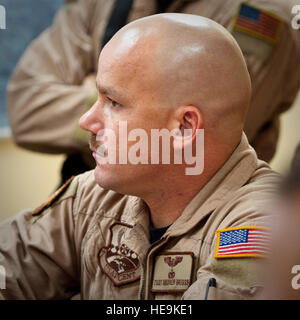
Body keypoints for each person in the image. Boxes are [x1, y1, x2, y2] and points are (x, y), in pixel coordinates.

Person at [1, 13, 279, 300]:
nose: (86, 120)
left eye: (114, 103)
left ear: (184, 128)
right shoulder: (90, 197)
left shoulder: (268, 224)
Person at [6, 0, 300, 184]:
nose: (87, 121)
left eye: (114, 103)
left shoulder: (261, 13)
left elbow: (202, 142)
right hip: (87, 188)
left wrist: (97, 88)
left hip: (192, 218)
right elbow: (26, 108)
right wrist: (127, 105)